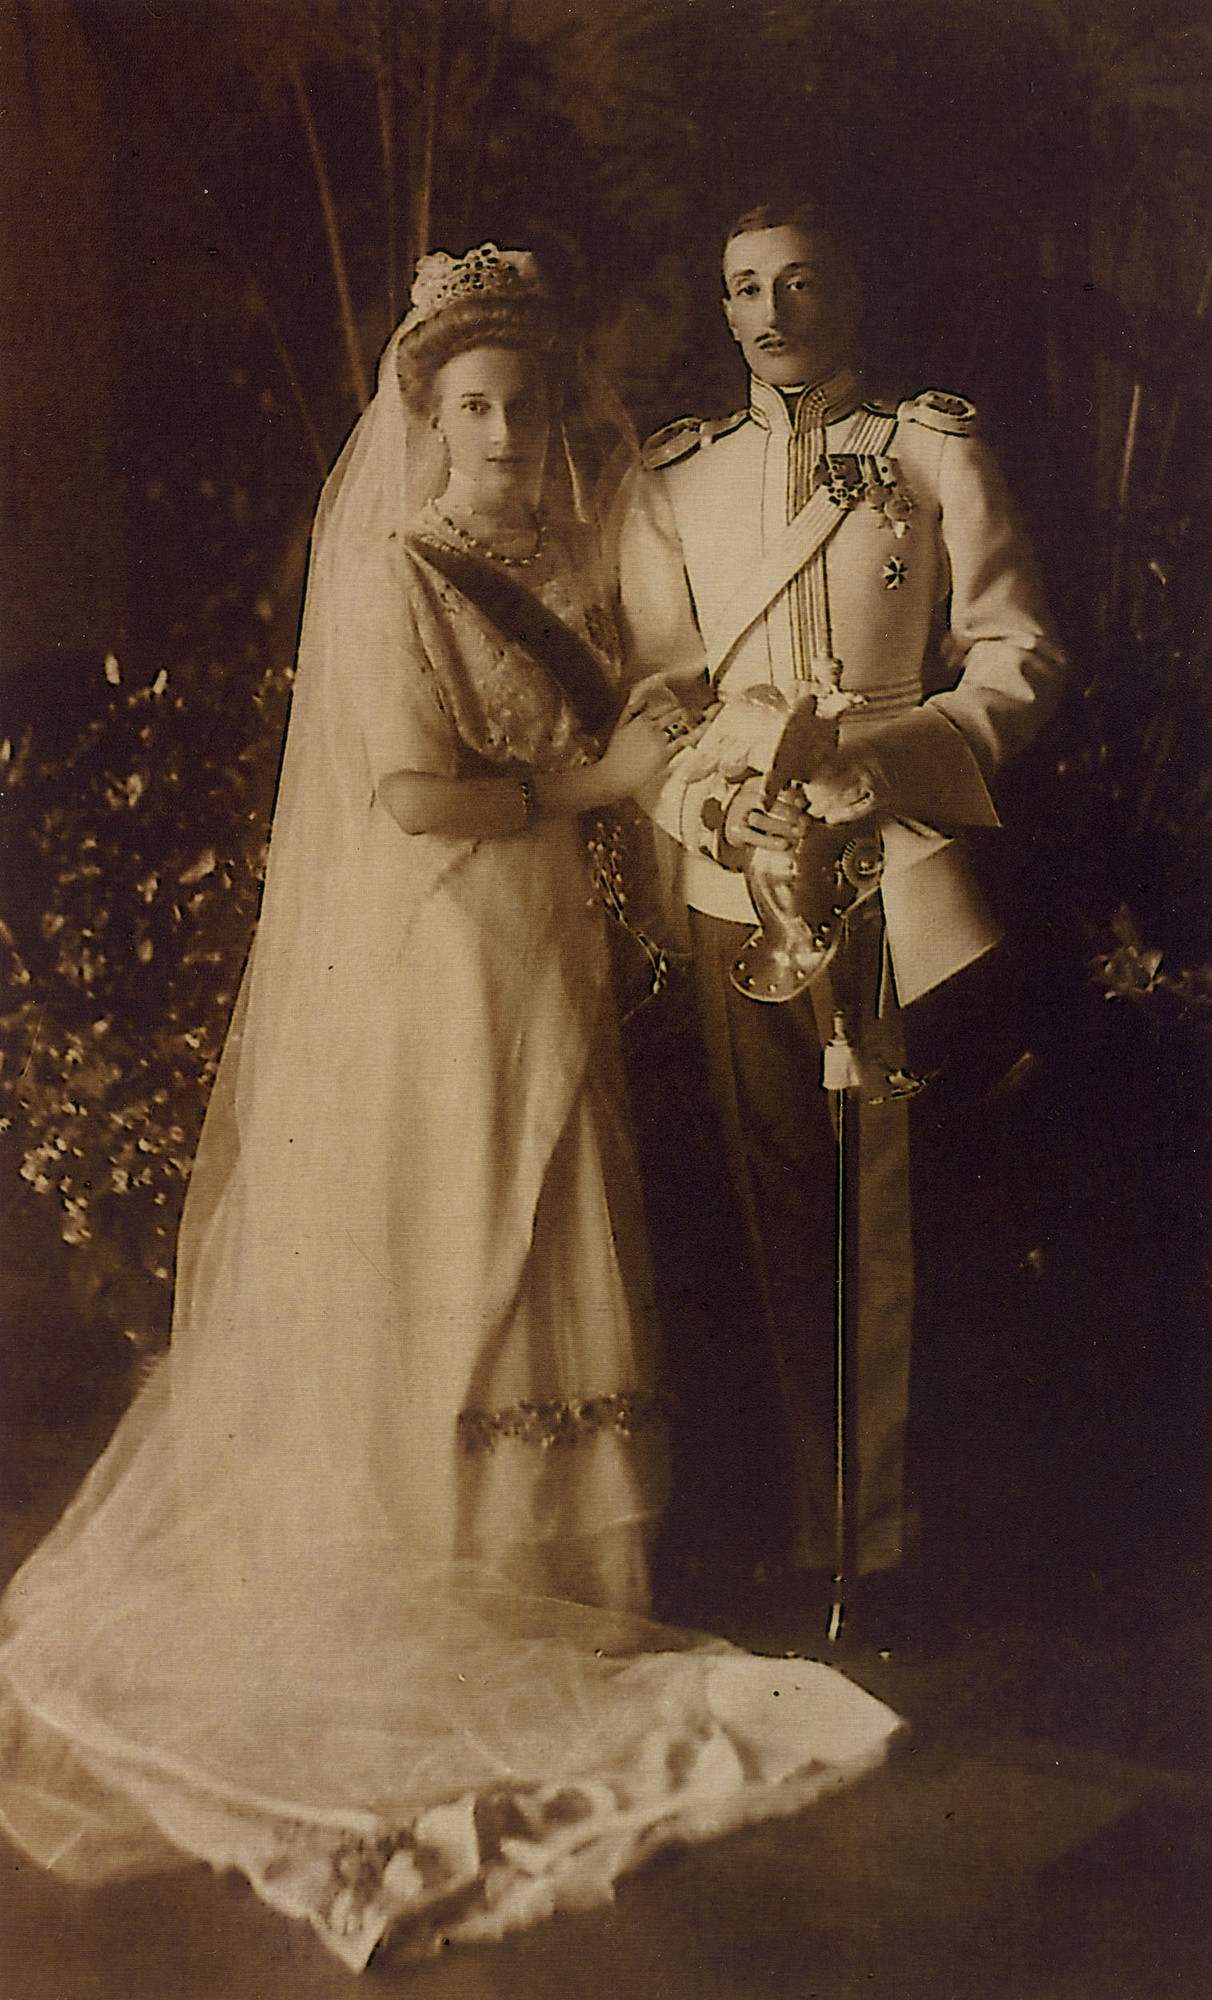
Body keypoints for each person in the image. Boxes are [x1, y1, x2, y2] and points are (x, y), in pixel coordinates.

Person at [0, 244, 898, 1971]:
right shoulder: (401, 567)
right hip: (436, 947)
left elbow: (611, 709)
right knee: (466, 1195)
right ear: (427, 421)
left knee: (548, 1191)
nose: (497, 432)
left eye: (520, 404)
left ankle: (557, 1576)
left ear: (551, 412)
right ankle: (435, 1554)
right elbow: (414, 792)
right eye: (469, 407)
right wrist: (597, 778)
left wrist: (654, 734)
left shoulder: (557, 546)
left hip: (539, 929)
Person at [616, 200, 1067, 1615]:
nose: (772, 313)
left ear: (851, 288)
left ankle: (906, 1539)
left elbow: (1021, 652)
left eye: (802, 281)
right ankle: (815, 1533)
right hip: (741, 874)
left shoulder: (931, 453)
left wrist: (889, 751)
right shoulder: (674, 479)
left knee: (912, 1203)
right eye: (746, 287)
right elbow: (657, 696)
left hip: (903, 851)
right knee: (772, 1200)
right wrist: (712, 805)